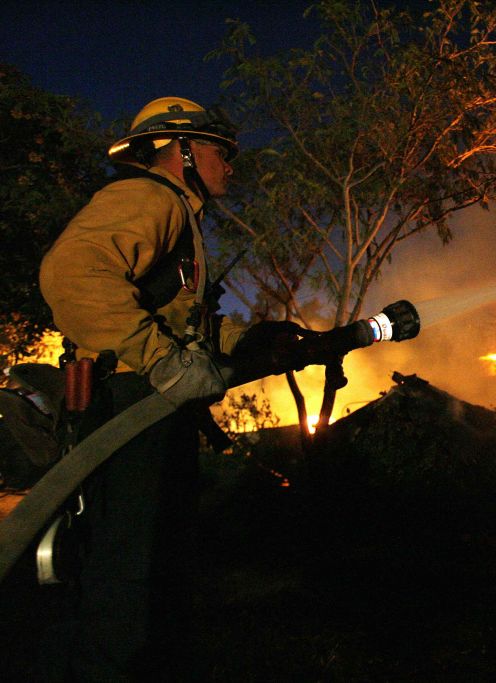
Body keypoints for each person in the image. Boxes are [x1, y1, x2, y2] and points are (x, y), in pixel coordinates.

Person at [38, 96, 256, 680]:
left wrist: (247, 342)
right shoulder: (146, 197)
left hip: (152, 407)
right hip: (130, 405)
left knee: (158, 561)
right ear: (178, 150)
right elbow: (73, 272)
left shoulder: (179, 214)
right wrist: (161, 360)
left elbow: (178, 315)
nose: (230, 163)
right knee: (128, 567)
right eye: (218, 150)